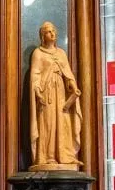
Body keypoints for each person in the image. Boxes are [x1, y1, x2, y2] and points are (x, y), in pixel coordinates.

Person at [29, 22, 82, 170]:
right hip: (47, 93)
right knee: (48, 124)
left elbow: (68, 72)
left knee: (63, 123)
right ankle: (47, 156)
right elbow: (35, 74)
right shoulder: (38, 54)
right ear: (42, 36)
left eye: (53, 31)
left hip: (61, 93)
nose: (52, 34)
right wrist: (38, 91)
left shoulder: (61, 53)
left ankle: (64, 155)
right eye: (48, 32)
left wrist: (72, 84)